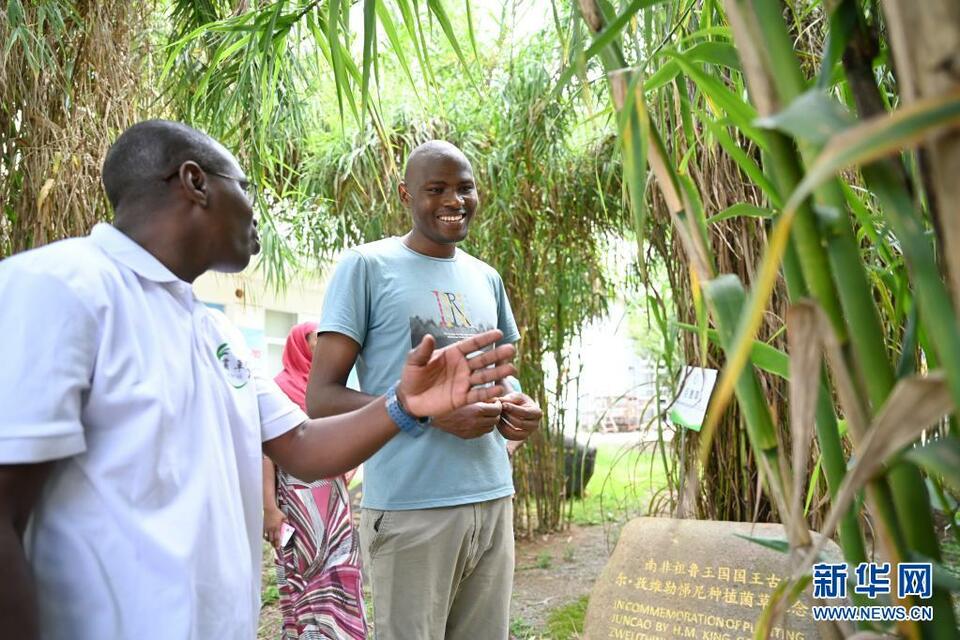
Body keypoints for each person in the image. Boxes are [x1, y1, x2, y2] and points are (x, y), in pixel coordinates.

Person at [0, 121, 517, 640]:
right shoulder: (60, 288)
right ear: (195, 182)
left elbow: (303, 445)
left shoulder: (211, 330)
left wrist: (406, 404)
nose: (254, 210)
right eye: (244, 187)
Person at [307, 140, 544, 639]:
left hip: (493, 499)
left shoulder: (487, 278)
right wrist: (429, 414)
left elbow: (500, 376)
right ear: (405, 194)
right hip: (412, 508)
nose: (454, 200)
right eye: (436, 189)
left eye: (465, 188)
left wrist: (518, 404)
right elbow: (322, 398)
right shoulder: (367, 267)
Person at [263, 321, 366, 639]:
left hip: (333, 500)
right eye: (314, 340)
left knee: (340, 568)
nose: (321, 347)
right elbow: (266, 454)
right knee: (303, 570)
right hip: (295, 499)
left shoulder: (329, 393)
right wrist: (269, 508)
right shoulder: (277, 388)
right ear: (297, 344)